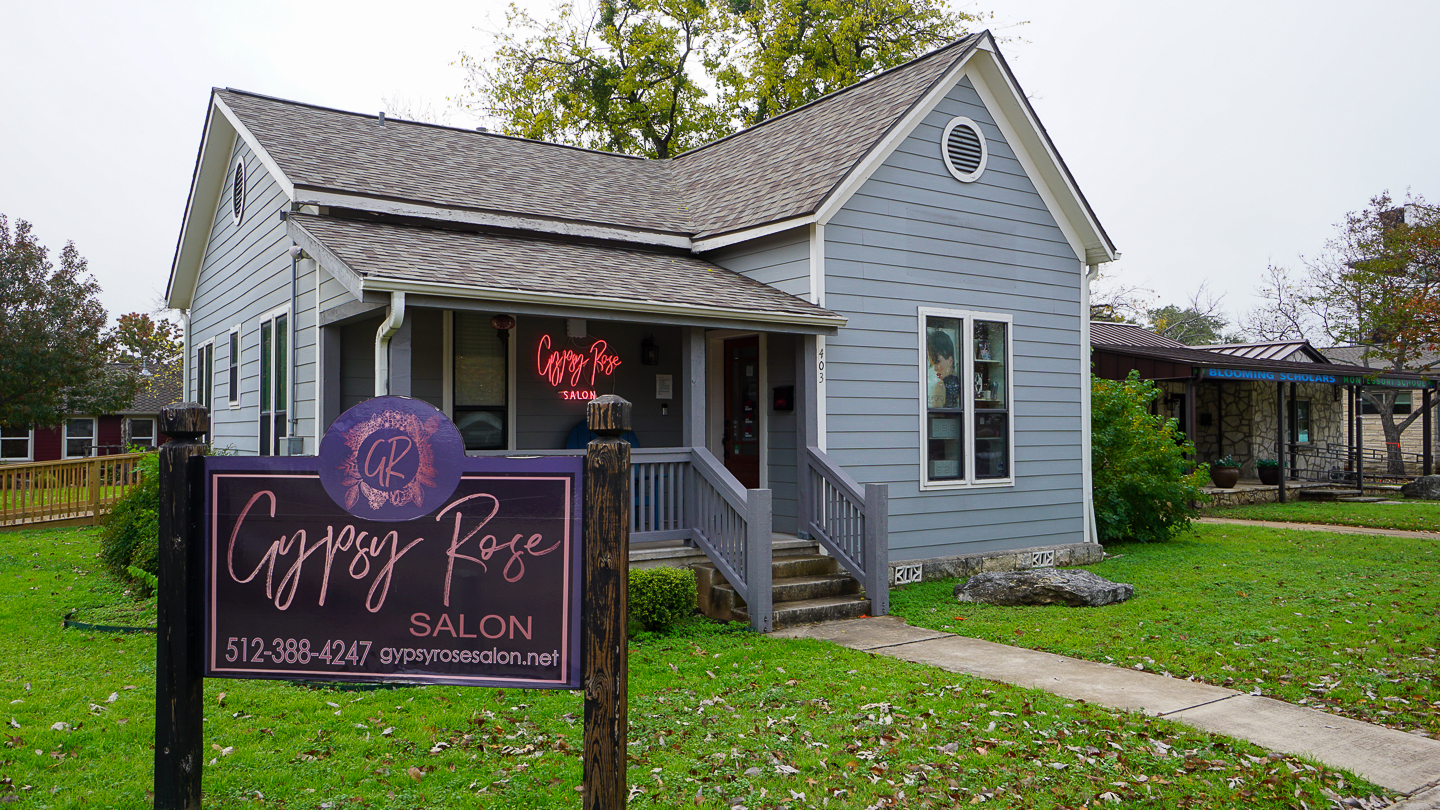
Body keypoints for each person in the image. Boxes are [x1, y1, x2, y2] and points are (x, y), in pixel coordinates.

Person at [926, 329, 961, 409]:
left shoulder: (939, 387)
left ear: (950, 361)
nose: (935, 368)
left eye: (938, 361)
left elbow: (937, 418)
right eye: (933, 363)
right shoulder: (961, 384)